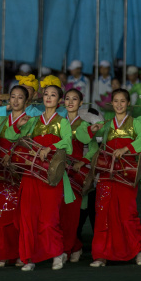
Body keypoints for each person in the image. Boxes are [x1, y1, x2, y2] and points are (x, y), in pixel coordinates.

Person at [4, 76, 74, 271]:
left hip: (51, 176)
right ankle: (29, 258)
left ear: (59, 100)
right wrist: (19, 125)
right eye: (46, 94)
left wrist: (50, 147)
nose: (48, 97)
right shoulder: (33, 120)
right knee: (28, 216)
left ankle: (56, 253)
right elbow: (11, 136)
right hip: (30, 174)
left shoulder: (62, 121)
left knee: (49, 217)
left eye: (53, 95)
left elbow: (68, 143)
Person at [78, 88, 141, 267]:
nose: (119, 104)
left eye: (122, 101)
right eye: (116, 101)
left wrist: (126, 149)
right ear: (111, 103)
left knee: (127, 213)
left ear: (128, 104)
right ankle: (101, 255)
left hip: (127, 175)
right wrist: (91, 130)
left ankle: (137, 250)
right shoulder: (107, 124)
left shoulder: (136, 123)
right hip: (106, 175)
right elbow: (80, 136)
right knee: (103, 213)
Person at [0, 84, 29, 268]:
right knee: (2, 214)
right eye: (13, 97)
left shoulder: (31, 121)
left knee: (21, 216)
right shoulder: (0, 121)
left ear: (26, 101)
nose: (16, 100)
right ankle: (2, 255)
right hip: (2, 175)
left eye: (20, 97)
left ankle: (20, 254)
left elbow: (28, 145)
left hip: (20, 174)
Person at [59, 88, 98, 264]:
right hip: (58, 172)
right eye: (67, 98)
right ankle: (74, 246)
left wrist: (82, 161)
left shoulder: (84, 125)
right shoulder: (58, 122)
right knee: (58, 214)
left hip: (74, 174)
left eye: (75, 99)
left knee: (70, 215)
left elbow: (94, 150)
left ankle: (67, 249)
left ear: (81, 103)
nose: (70, 102)